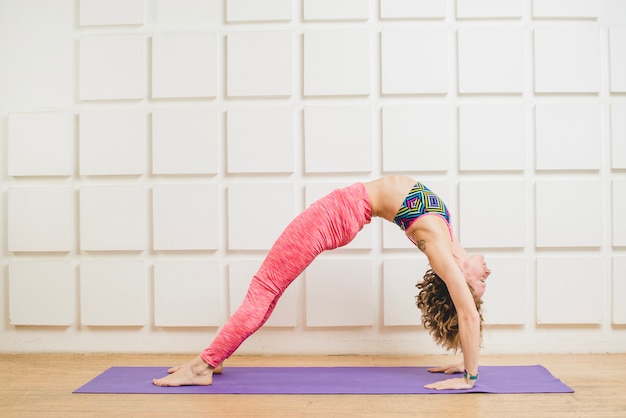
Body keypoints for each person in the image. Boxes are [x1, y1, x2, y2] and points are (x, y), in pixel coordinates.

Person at [152, 175, 491, 390]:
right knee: (268, 292)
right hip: (337, 212)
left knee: (265, 290)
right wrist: (465, 357)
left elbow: (468, 315)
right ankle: (219, 355)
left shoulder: (440, 253)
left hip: (332, 217)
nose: (486, 275)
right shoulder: (447, 239)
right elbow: (466, 315)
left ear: (458, 282)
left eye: (477, 287)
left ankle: (202, 366)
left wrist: (470, 378)